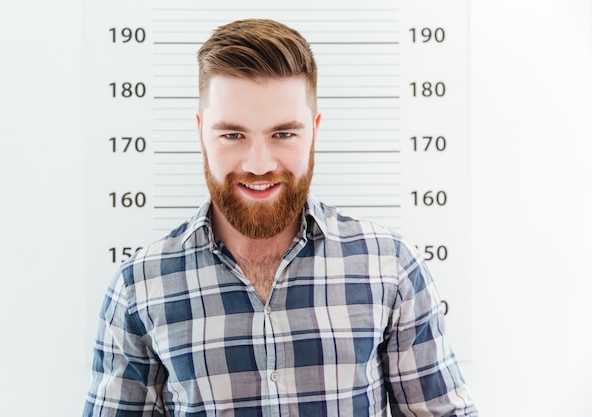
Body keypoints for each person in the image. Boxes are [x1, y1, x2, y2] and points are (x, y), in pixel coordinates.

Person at [84, 18, 478, 417]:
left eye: (283, 134)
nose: (258, 164)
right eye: (233, 135)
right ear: (201, 133)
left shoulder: (390, 266)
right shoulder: (138, 288)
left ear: (314, 132)